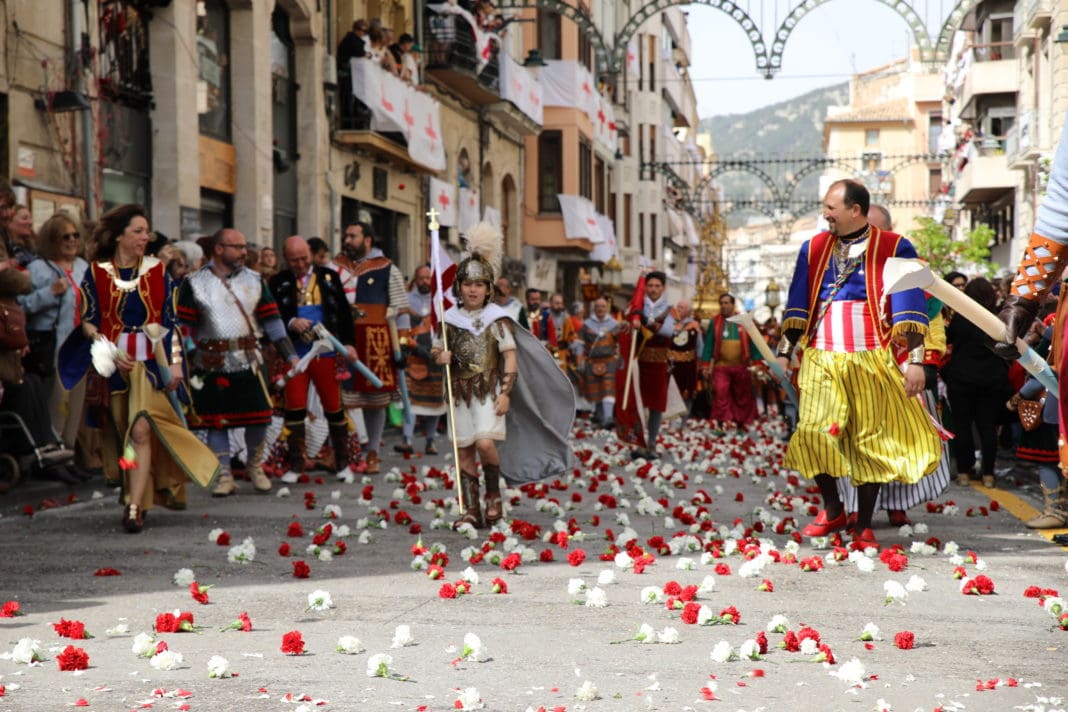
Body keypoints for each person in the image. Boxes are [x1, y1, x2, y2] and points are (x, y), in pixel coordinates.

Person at [775, 179, 941, 550]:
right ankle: (834, 508)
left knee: (872, 443)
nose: (825, 214)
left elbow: (910, 303)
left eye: (831, 208)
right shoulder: (813, 247)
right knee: (814, 433)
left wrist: (916, 361)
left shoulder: (896, 246)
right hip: (821, 356)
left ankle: (863, 524)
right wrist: (785, 352)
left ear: (856, 210)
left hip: (871, 357)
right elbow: (798, 303)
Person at [60, 204, 220, 532]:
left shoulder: (157, 271)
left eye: (147, 232)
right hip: (114, 363)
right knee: (124, 436)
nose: (145, 237)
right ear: (119, 235)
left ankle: (133, 508)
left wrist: (175, 364)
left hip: (150, 365)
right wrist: (107, 350)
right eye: (138, 231)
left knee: (141, 430)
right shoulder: (97, 271)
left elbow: (170, 322)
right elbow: (88, 323)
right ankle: (136, 496)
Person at [431, 223, 574, 528]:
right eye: (468, 284)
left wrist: (506, 393)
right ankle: (470, 508)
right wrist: (439, 356)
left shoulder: (498, 319)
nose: (473, 290)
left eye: (479, 285)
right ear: (459, 287)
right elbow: (436, 350)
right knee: (464, 448)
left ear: (488, 288)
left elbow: (510, 357)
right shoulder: (450, 319)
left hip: (489, 392)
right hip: (458, 393)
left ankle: (493, 496)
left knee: (485, 443)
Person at [835, 204, 951, 526]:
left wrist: (921, 363)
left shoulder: (911, 268)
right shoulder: (836, 269)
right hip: (853, 370)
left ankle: (899, 503)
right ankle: (855, 508)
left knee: (903, 441)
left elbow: (931, 323)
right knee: (851, 442)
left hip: (901, 370)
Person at [177, 228, 300, 496]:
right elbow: (183, 328)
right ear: (219, 249)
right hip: (209, 361)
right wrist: (181, 362)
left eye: (245, 246)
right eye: (237, 247)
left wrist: (289, 353)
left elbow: (272, 321)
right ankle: (224, 475)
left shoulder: (256, 281)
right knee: (215, 421)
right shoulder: (194, 282)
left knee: (258, 419)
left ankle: (254, 467)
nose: (244, 252)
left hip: (249, 360)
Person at [269, 236, 358, 483]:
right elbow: (271, 315)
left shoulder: (330, 277)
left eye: (304, 258)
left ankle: (342, 462)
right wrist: (291, 322)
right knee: (294, 406)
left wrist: (349, 343)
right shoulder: (278, 281)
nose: (300, 264)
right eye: (294, 260)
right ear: (286, 258)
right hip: (294, 353)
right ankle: (296, 464)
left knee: (334, 406)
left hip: (326, 351)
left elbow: (343, 314)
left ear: (310, 253)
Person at [332, 222, 410, 474]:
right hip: (341, 340)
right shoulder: (335, 267)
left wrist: (403, 347)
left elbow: (400, 310)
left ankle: (373, 452)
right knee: (338, 398)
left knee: (374, 400)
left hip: (376, 341)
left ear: (367, 240)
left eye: (352, 236)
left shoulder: (387, 268)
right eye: (346, 235)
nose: (347, 239)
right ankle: (342, 452)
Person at [20, 214, 91, 474]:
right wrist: (50, 293)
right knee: (57, 405)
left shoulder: (83, 267)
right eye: (65, 236)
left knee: (75, 406)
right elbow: (22, 306)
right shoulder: (39, 269)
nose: (72, 241)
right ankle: (53, 459)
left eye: (75, 235)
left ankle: (69, 457)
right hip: (54, 348)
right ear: (52, 239)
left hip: (81, 348)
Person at [942, 277, 1012, 488]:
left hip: (961, 378)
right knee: (988, 427)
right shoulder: (999, 318)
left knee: (962, 425)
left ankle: (964, 471)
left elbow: (948, 340)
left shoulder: (961, 318)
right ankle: (988, 474)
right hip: (992, 380)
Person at [622, 271, 675, 460]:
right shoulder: (637, 306)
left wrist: (646, 321)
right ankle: (638, 441)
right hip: (639, 364)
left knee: (656, 406)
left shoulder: (670, 309)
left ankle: (651, 442)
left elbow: (669, 331)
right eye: (650, 286)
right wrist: (631, 320)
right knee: (638, 404)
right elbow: (626, 325)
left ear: (663, 288)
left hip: (660, 365)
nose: (653, 289)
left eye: (657, 286)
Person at [395, 264, 445, 455]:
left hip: (433, 355)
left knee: (433, 402)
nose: (425, 281)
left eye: (428, 277)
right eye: (421, 277)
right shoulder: (406, 300)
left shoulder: (439, 301)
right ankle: (407, 439)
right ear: (416, 279)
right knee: (411, 400)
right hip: (412, 355)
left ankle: (430, 441)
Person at [700, 293, 757, 427]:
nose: (724, 306)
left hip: (741, 366)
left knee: (741, 396)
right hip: (721, 366)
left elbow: (754, 344)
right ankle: (723, 423)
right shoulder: (714, 322)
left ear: (733, 304)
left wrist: (757, 363)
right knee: (720, 392)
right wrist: (705, 365)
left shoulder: (744, 321)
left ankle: (740, 423)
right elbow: (708, 345)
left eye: (727, 303)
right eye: (721, 303)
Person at [574, 296, 619, 428]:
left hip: (609, 361)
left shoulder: (614, 324)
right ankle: (599, 417)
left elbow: (620, 343)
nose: (600, 309)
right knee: (597, 390)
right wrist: (579, 360)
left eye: (603, 306)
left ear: (607, 308)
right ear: (594, 308)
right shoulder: (586, 324)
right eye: (598, 306)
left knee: (608, 389)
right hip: (592, 362)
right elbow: (580, 344)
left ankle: (608, 418)